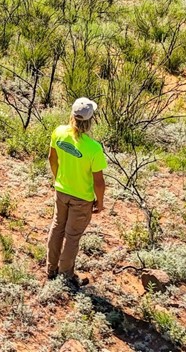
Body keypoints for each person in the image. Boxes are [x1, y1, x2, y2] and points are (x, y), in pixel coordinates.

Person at [46, 97, 106, 288]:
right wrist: (100, 202)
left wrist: (58, 179)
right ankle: (66, 276)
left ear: (72, 115)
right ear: (90, 120)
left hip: (61, 191)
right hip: (82, 199)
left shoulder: (59, 132)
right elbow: (99, 182)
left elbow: (52, 158)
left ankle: (51, 269)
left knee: (57, 228)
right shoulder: (94, 148)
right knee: (72, 236)